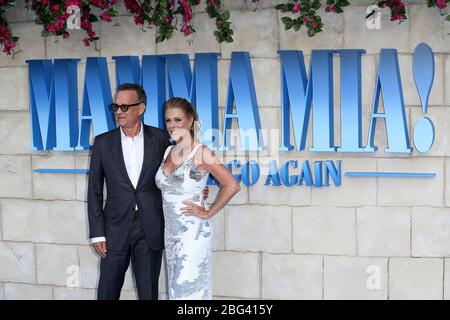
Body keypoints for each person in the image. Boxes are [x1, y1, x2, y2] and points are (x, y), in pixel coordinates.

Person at [87, 84, 208, 300]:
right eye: (116, 106)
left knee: (148, 293)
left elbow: (181, 170)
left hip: (150, 227)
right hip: (114, 229)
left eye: (124, 106)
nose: (119, 111)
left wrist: (198, 189)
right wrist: (97, 233)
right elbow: (94, 191)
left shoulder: (162, 139)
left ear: (140, 108)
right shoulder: (103, 142)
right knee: (107, 291)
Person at [155, 97, 241, 300]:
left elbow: (232, 185)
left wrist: (208, 211)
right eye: (168, 120)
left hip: (193, 233)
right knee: (176, 292)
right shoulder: (168, 150)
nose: (172, 126)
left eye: (177, 120)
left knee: (189, 290)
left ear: (190, 120)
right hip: (172, 234)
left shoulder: (201, 152)